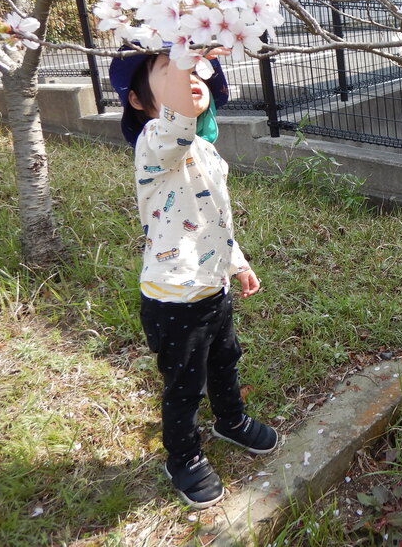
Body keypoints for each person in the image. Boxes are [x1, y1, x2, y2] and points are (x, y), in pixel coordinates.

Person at [109, 45, 277, 510]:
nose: (190, 75)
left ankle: (231, 420)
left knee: (225, 361)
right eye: (171, 68)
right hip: (172, 298)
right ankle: (183, 457)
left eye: (197, 68)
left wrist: (237, 262)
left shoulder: (205, 150)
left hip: (212, 289)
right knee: (184, 384)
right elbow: (178, 119)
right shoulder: (155, 143)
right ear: (140, 102)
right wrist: (187, 50)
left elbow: (215, 219)